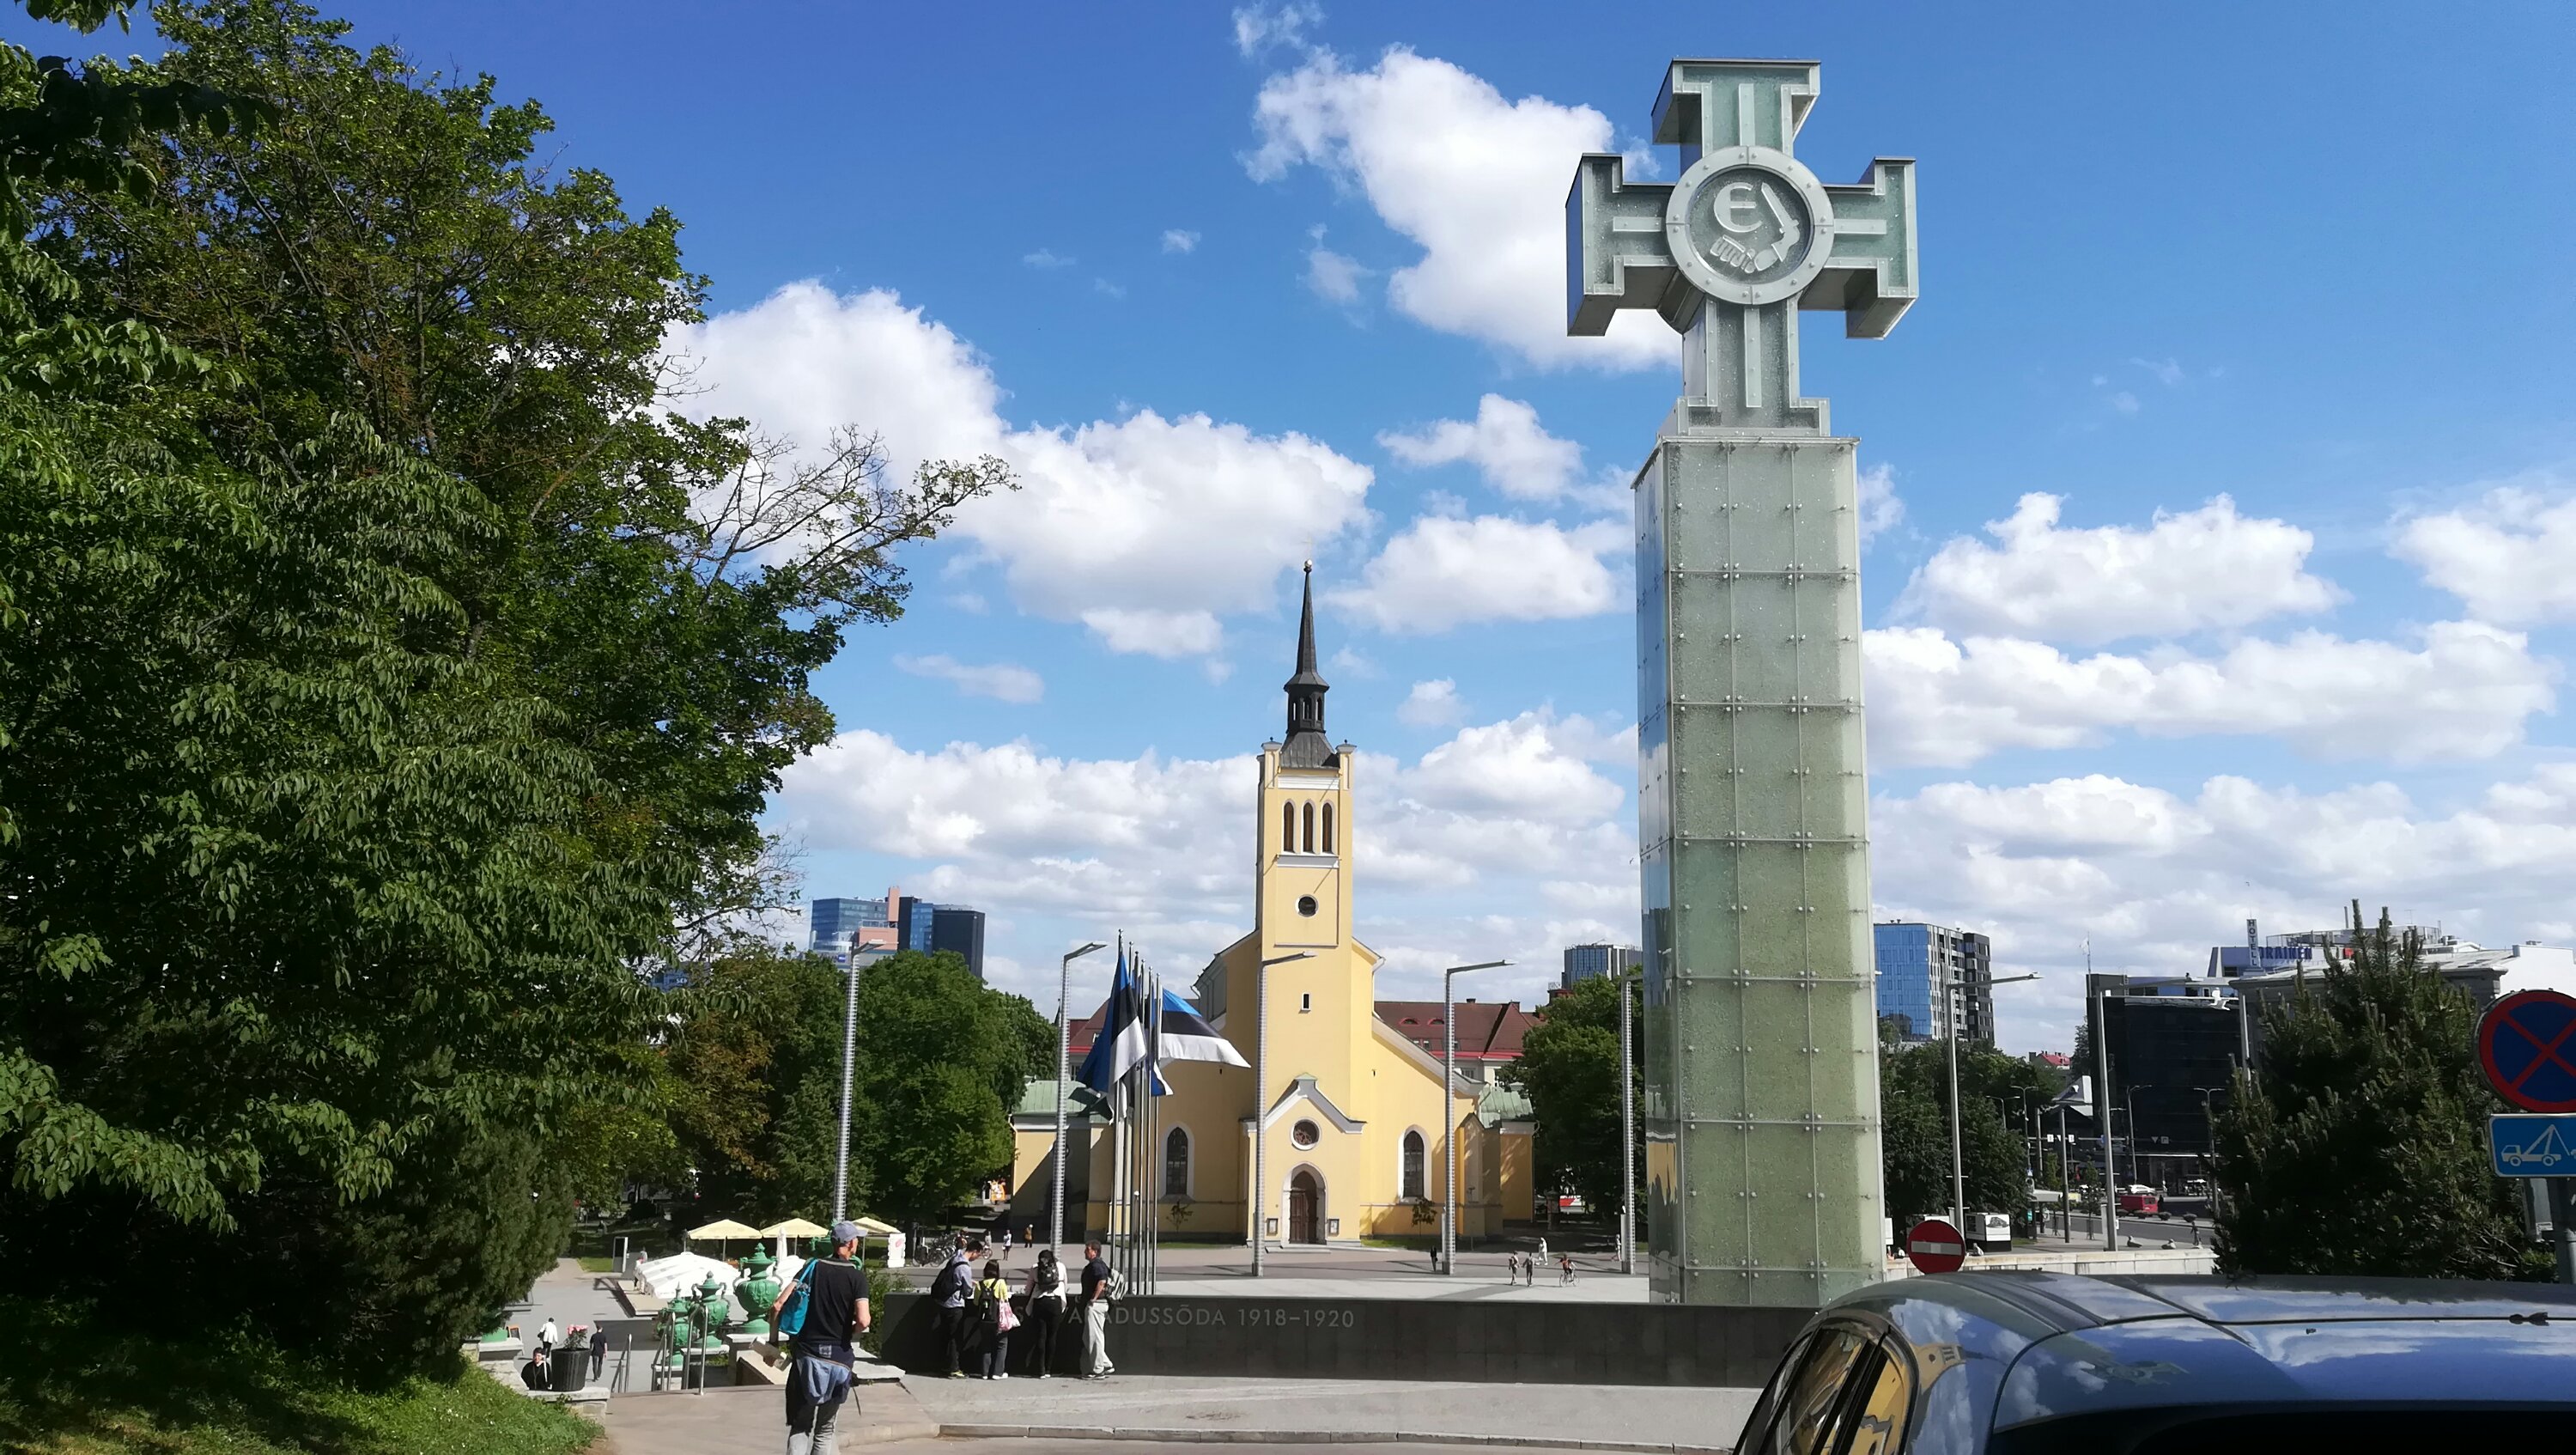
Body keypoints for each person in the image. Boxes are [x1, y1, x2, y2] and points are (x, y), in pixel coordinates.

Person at [769, 1218, 871, 1455]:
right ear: (851, 1244)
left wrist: (773, 1345)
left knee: (800, 1426)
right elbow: (864, 1321)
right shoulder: (857, 1278)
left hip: (807, 1358)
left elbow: (777, 1305)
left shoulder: (811, 1268)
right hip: (838, 1359)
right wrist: (851, 1329)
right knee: (825, 1430)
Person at [930, 1237, 980, 1378]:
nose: (977, 1258)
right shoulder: (965, 1267)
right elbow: (967, 1291)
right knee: (955, 1337)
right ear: (975, 1252)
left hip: (943, 1302)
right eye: (978, 1255)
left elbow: (957, 1277)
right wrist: (970, 1286)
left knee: (945, 1335)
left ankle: (945, 1366)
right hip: (955, 1305)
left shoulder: (955, 1259)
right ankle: (954, 1368)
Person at [1024, 1248, 1066, 1378]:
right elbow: (1065, 1284)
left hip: (1040, 1302)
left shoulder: (1035, 1268)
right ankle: (1049, 1369)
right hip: (1055, 1302)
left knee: (1041, 1336)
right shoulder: (1060, 1266)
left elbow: (1028, 1289)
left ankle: (1040, 1370)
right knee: (1052, 1336)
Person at [1078, 1240, 1116, 1379]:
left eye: (1088, 1249)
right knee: (1088, 1337)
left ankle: (1098, 1369)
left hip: (1097, 1305)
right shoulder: (1097, 1265)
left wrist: (1093, 1298)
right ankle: (1105, 1364)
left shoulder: (1096, 1265)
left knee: (1094, 1337)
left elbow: (1102, 1281)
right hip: (1099, 1304)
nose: (1085, 1251)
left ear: (1095, 1252)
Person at [974, 1258, 1015, 1379]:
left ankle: (985, 1373)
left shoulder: (980, 1284)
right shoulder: (1000, 1283)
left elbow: (976, 1302)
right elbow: (1005, 1299)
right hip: (998, 1319)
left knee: (986, 1344)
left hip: (984, 1319)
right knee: (1002, 1344)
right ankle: (998, 1372)